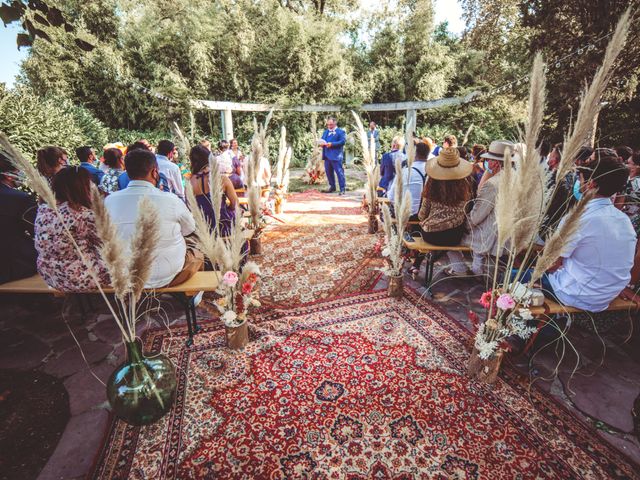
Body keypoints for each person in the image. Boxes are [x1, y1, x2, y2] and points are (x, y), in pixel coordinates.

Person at [541, 152, 636, 311]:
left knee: (513, 278)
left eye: (581, 179)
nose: (579, 183)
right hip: (606, 296)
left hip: (574, 294)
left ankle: (534, 333)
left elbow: (550, 264)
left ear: (591, 184)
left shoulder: (578, 218)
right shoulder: (624, 220)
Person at [105, 148, 203, 288]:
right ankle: (193, 299)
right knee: (198, 254)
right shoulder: (171, 200)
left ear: (127, 171)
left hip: (127, 275)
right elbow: (189, 229)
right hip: (169, 274)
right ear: (154, 171)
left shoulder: (110, 201)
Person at [34, 167, 110, 291]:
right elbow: (106, 244)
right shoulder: (81, 214)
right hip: (78, 278)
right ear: (83, 187)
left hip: (50, 275)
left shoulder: (44, 209)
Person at [450, 140, 514, 276]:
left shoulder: (493, 184)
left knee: (448, 236)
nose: (487, 164)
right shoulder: (516, 178)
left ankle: (464, 270)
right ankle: (476, 270)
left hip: (488, 236)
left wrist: (462, 225)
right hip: (506, 235)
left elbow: (476, 216)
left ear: (496, 163)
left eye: (489, 160)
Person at [410, 147, 473, 277]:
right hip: (455, 235)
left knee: (422, 228)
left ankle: (416, 265)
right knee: (447, 241)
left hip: (432, 235)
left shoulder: (432, 183)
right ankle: (460, 269)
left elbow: (422, 215)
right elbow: (466, 211)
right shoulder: (465, 185)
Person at [0, 153, 38, 284]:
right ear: (8, 175)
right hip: (14, 265)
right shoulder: (22, 199)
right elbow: (36, 231)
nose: (21, 174)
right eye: (18, 171)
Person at [189, 145, 238, 236]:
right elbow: (234, 202)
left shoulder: (190, 182)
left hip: (203, 227)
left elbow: (189, 206)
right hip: (223, 225)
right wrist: (229, 208)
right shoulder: (222, 179)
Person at [387, 142, 430, 219]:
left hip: (403, 214)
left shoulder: (403, 172)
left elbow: (391, 197)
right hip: (426, 216)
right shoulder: (433, 172)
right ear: (428, 154)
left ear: (414, 153)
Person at [320, 117, 347, 195]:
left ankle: (342, 189)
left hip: (336, 156)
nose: (329, 126)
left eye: (331, 124)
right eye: (328, 124)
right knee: (328, 172)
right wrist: (321, 144)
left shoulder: (341, 132)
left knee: (339, 172)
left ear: (335, 123)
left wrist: (332, 144)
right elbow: (322, 139)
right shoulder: (325, 132)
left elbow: (342, 141)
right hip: (327, 156)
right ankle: (332, 187)